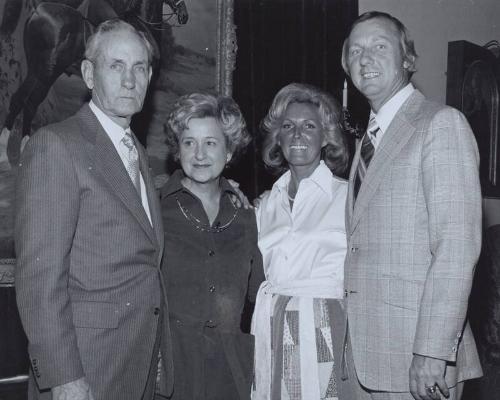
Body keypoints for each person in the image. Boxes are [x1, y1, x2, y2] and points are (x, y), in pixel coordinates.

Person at [14, 19, 172, 400]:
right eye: (115, 66)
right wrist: (63, 377)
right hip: (86, 371)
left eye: (139, 67)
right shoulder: (57, 146)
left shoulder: (133, 150)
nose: (129, 79)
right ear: (88, 73)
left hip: (138, 364)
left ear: (150, 76)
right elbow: (39, 278)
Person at [341, 11, 483, 400]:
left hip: (417, 361)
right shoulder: (366, 142)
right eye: (355, 51)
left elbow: (457, 247)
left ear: (408, 59)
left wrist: (431, 352)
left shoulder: (441, 124)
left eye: (379, 47)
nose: (364, 58)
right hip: (364, 359)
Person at [160, 92, 265, 400]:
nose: (200, 154)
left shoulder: (246, 215)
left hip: (229, 374)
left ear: (229, 151)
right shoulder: (155, 210)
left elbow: (258, 293)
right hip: (170, 372)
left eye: (211, 142)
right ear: (177, 151)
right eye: (189, 142)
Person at [251, 83, 350, 400]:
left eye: (309, 126)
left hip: (326, 329)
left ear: (326, 137)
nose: (297, 134)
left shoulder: (348, 196)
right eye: (287, 127)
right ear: (277, 139)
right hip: (273, 328)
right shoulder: (265, 204)